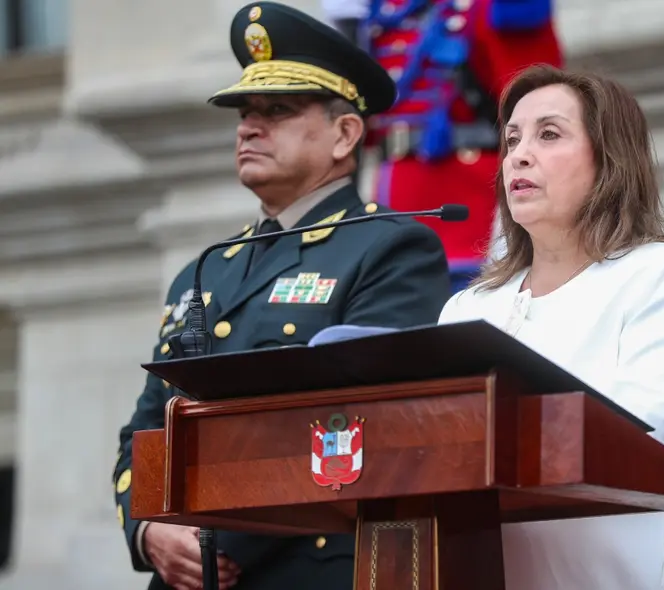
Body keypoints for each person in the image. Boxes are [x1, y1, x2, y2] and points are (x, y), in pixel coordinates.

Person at [112, 2, 453, 589]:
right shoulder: (205, 271)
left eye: (277, 110)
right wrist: (147, 531)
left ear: (345, 133)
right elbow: (147, 429)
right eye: (245, 113)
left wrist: (217, 533)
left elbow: (362, 420)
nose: (248, 127)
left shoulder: (390, 250)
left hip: (305, 571)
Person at [437, 63, 664, 590]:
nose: (518, 155)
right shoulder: (467, 309)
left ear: (608, 159)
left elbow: (647, 432)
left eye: (549, 135)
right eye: (512, 139)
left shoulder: (662, 275)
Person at [324, 0, 564, 291]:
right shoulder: (380, 12)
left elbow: (534, 103)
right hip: (393, 197)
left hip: (470, 202)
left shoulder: (484, 7)